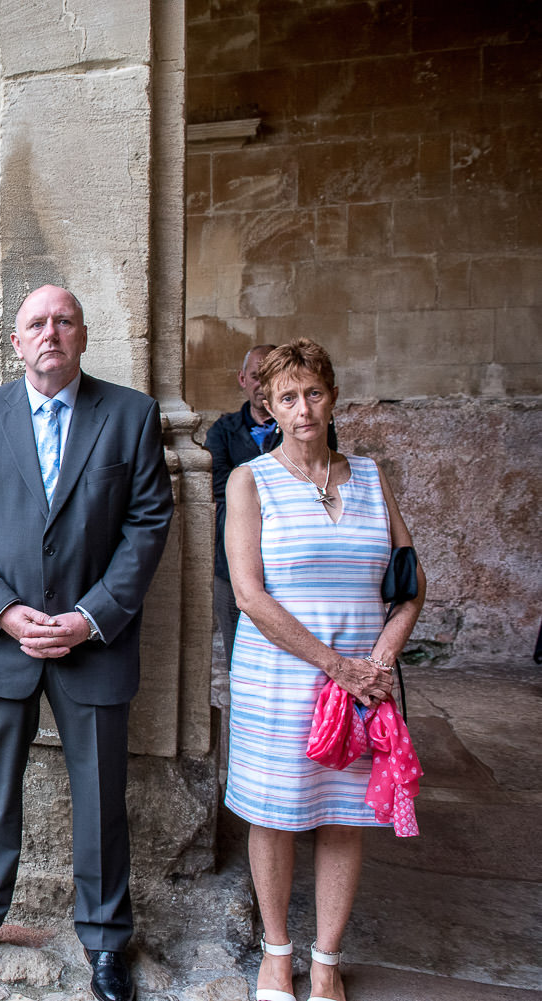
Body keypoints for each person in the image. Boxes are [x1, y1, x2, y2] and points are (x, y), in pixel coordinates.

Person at [0, 285, 174, 1001]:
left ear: (83, 335)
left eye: (64, 321)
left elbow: (148, 523)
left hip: (94, 642)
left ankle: (105, 940)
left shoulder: (130, 416)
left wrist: (94, 615)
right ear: (16, 341)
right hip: (2, 641)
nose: (50, 333)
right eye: (36, 322)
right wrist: (3, 610)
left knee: (101, 796)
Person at [224, 339, 424, 1001]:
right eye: (287, 396)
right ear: (269, 405)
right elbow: (249, 593)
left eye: (313, 392)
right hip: (280, 679)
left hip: (362, 683)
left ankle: (328, 960)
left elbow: (411, 582)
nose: (302, 408)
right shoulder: (249, 479)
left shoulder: (370, 475)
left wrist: (379, 661)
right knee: (276, 815)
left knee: (343, 817)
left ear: (332, 396)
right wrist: (336, 664)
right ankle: (276, 955)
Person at [205, 345, 277, 673]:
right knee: (239, 654)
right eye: (256, 376)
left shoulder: (301, 427)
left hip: (284, 559)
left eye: (272, 375)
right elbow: (219, 487)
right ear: (242, 380)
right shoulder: (222, 431)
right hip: (230, 560)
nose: (263, 384)